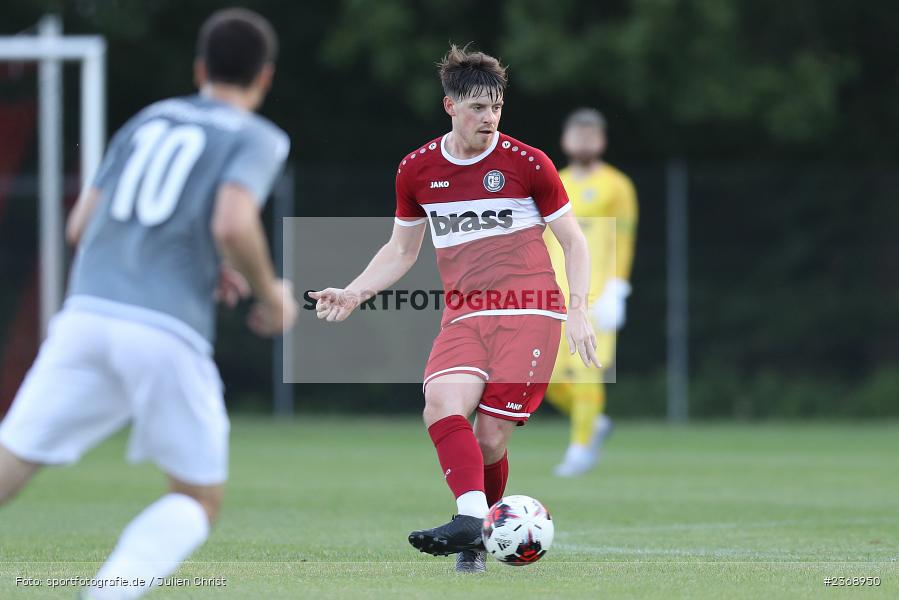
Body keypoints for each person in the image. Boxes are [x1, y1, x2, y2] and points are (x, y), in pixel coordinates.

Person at [0, 8, 297, 599]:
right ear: (265, 77)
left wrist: (201, 264)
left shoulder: (149, 118)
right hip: (165, 331)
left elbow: (82, 225)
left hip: (85, 316)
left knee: (11, 462)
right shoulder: (258, 136)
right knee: (196, 497)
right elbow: (234, 220)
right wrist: (272, 294)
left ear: (198, 68)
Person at [310, 45, 599, 573]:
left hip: (531, 312)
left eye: (497, 107)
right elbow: (401, 250)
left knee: (490, 437)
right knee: (441, 402)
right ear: (450, 106)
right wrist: (354, 292)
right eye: (478, 108)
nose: (490, 119)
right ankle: (472, 520)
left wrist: (577, 310)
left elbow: (575, 243)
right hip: (464, 315)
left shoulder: (528, 163)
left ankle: (472, 536)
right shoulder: (417, 170)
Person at [544, 108, 638, 477]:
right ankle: (594, 422)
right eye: (577, 134)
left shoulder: (618, 186)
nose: (584, 141)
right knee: (544, 378)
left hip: (596, 296)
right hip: (554, 296)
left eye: (591, 135)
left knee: (587, 373)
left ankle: (580, 448)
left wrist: (618, 287)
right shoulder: (553, 182)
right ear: (566, 140)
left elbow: (625, 239)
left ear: (602, 141)